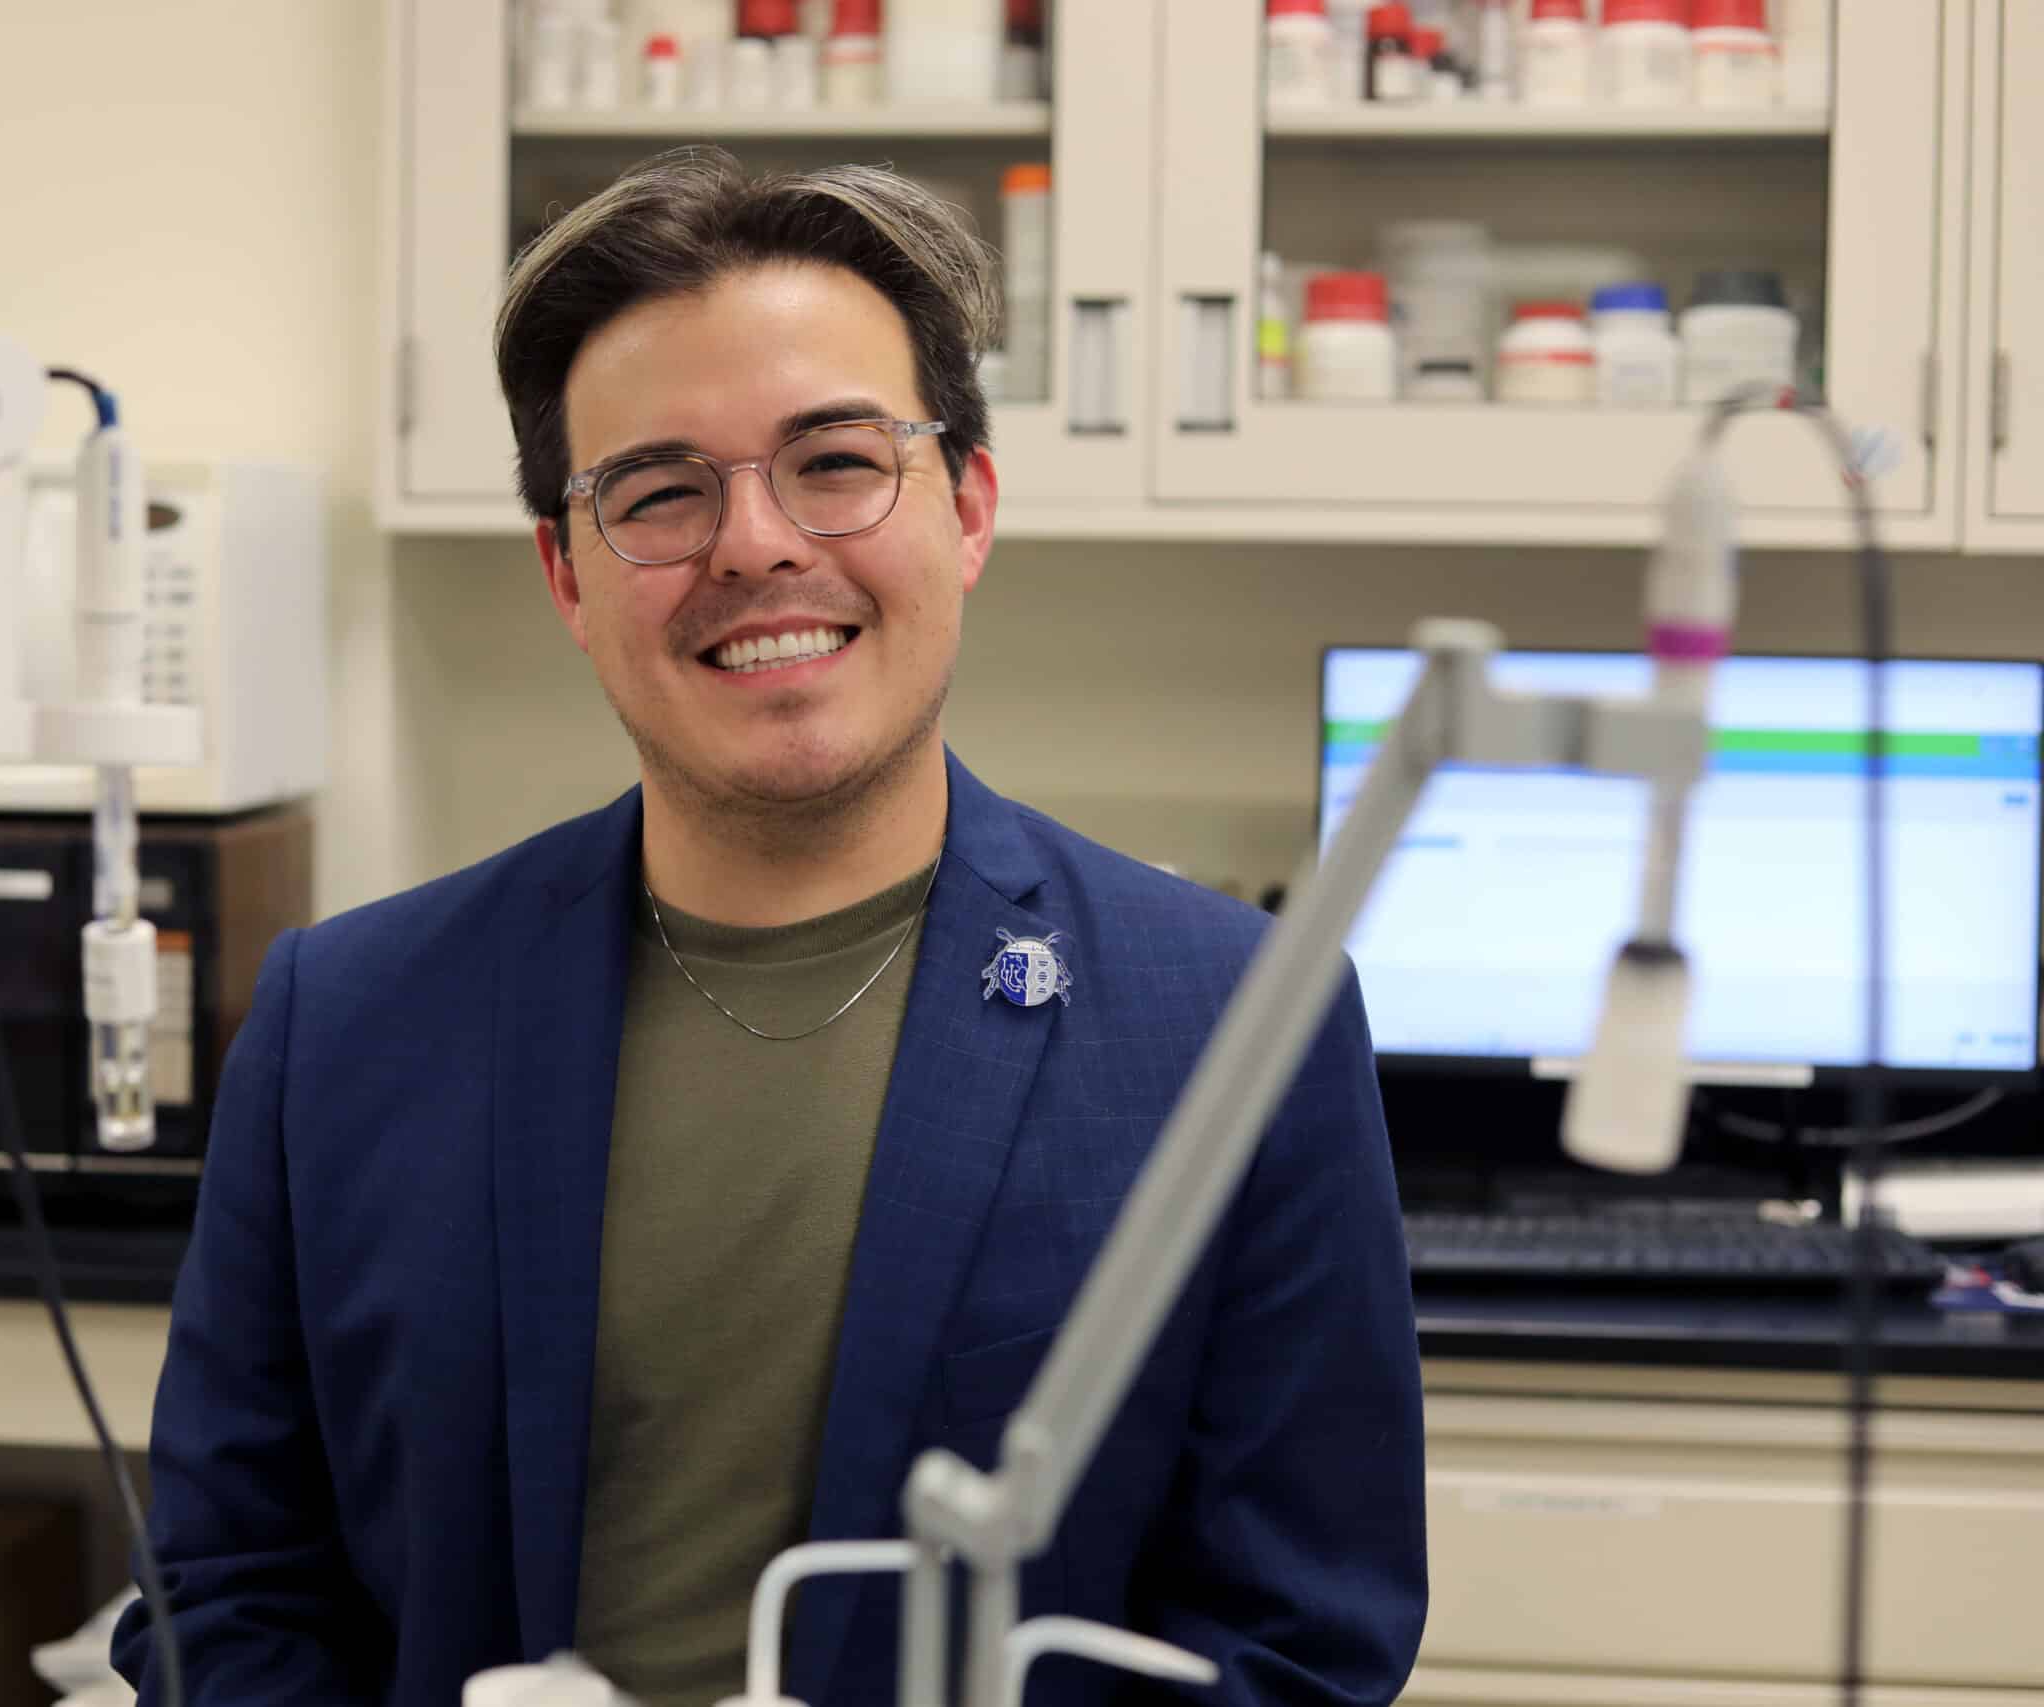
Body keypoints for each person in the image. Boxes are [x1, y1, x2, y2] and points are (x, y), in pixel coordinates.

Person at [116, 146, 1425, 1707]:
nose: (754, 545)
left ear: (970, 508)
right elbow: (225, 1590)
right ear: (566, 575)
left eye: (836, 461)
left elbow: (1298, 1642)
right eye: (662, 493)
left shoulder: (1236, 1024)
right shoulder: (348, 1019)